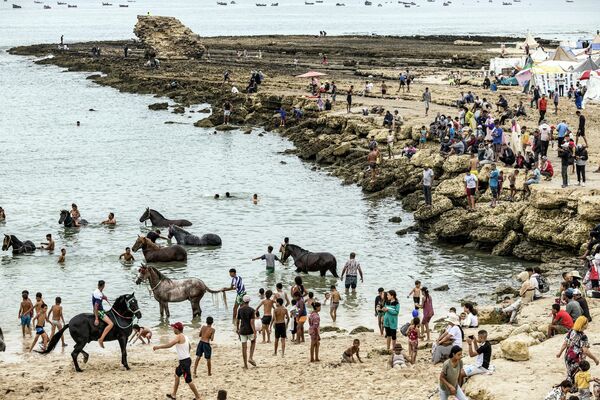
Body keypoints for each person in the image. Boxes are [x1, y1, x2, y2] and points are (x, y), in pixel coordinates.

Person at [153, 322, 201, 400]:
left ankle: (198, 397)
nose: (173, 329)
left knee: (188, 380)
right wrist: (186, 355)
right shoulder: (185, 336)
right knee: (177, 375)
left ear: (177, 329)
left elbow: (170, 345)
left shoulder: (179, 336)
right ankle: (174, 395)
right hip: (186, 360)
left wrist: (158, 347)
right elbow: (189, 347)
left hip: (184, 362)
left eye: (174, 328)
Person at [557, 316, 599, 382]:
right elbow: (586, 351)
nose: (587, 325)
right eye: (586, 323)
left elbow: (565, 343)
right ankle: (573, 388)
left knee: (570, 373)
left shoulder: (571, 331)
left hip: (568, 355)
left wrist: (560, 353)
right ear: (583, 325)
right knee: (577, 375)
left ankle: (568, 385)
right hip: (577, 358)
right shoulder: (583, 336)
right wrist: (595, 359)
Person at [236, 295, 257, 368]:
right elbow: (252, 322)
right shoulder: (252, 310)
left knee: (244, 348)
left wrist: (237, 329)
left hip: (242, 330)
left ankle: (245, 365)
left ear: (243, 301)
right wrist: (254, 331)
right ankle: (250, 357)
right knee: (253, 342)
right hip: (250, 330)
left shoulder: (240, 309)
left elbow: (238, 320)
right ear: (249, 301)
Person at [93, 280, 113, 348]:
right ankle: (101, 339)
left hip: (101, 310)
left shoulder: (97, 290)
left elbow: (101, 294)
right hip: (99, 311)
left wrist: (104, 297)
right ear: (103, 286)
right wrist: (96, 318)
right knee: (111, 324)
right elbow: (96, 306)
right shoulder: (98, 294)